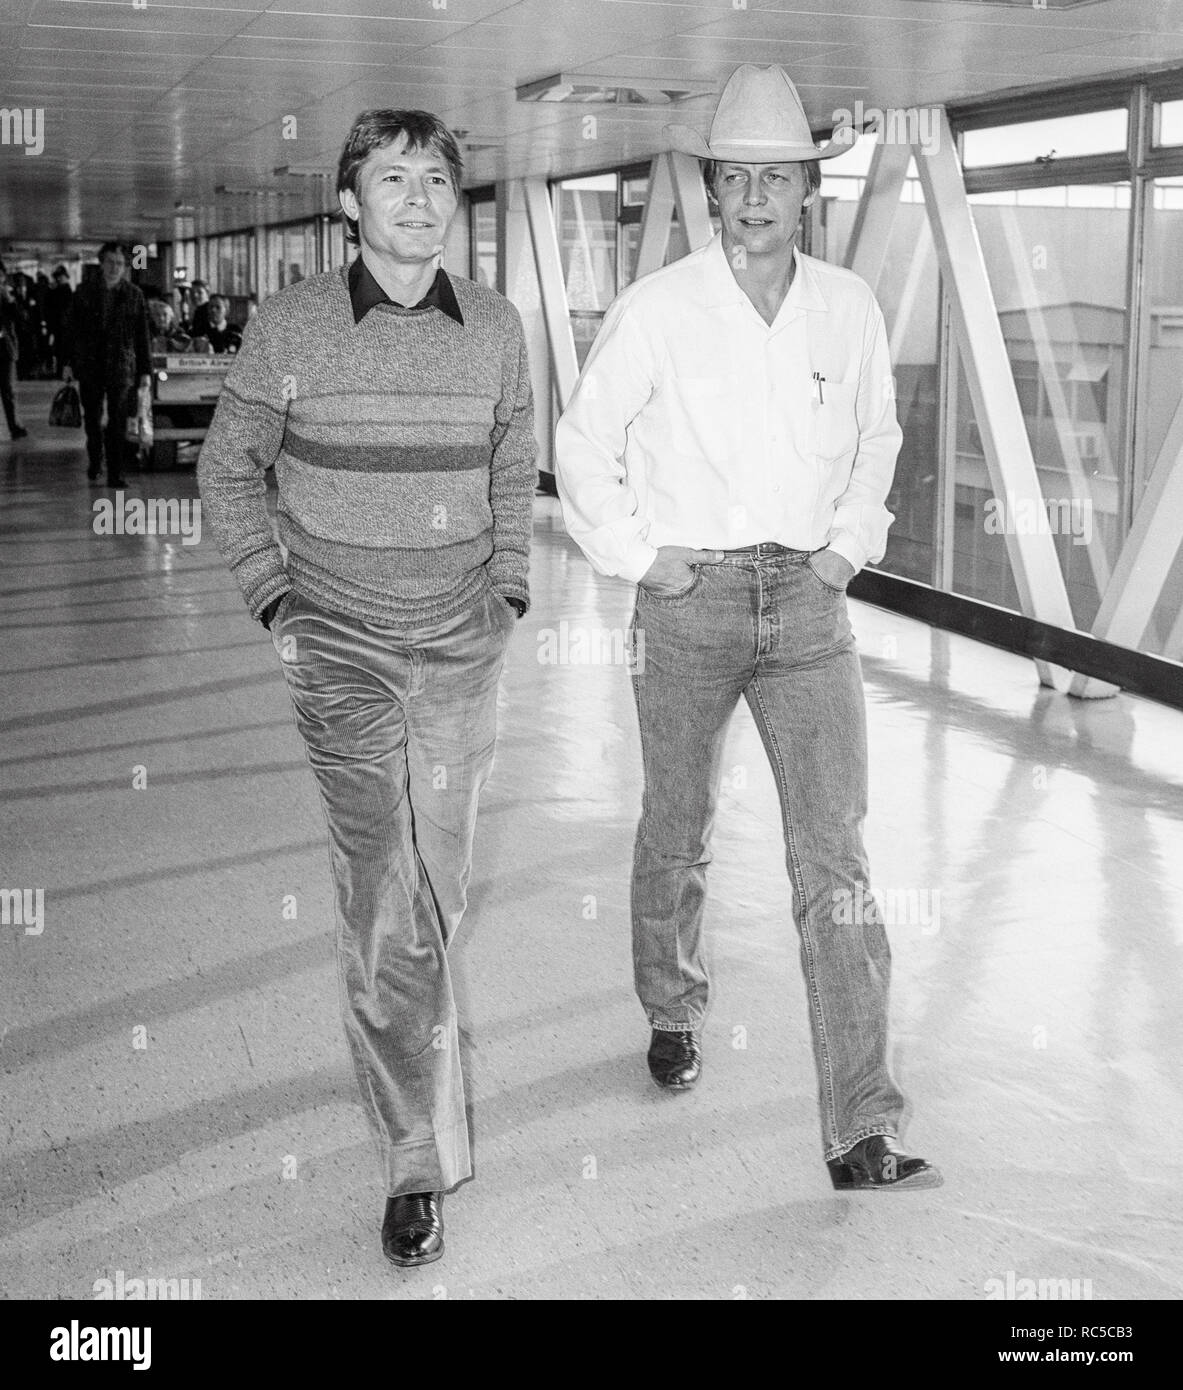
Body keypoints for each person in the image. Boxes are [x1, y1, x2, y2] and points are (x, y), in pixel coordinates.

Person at [556, 64, 941, 1193]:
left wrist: (845, 548)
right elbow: (584, 442)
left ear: (805, 191)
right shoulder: (661, 308)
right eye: (738, 178)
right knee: (675, 827)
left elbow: (878, 435)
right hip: (690, 602)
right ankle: (672, 1011)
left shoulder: (847, 308)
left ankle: (860, 1124)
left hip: (810, 606)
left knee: (836, 859)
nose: (758, 196)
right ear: (714, 190)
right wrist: (636, 554)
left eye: (778, 177)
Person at [197, 107, 536, 1267]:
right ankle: (410, 1156)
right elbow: (228, 467)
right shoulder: (290, 324)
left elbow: (511, 459)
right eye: (391, 178)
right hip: (337, 647)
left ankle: (413, 1096)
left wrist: (511, 591)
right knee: (386, 895)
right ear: (348, 202)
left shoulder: (494, 326)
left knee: (435, 889)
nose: (418, 196)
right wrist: (276, 603)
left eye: (436, 177)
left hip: (457, 647)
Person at [63, 241, 152, 488]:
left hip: (120, 366)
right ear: (101, 264)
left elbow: (142, 335)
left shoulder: (134, 295)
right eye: (111, 262)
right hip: (90, 364)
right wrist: (68, 363)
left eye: (121, 263)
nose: (116, 268)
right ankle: (95, 460)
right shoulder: (83, 292)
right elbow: (71, 331)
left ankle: (116, 472)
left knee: (118, 420)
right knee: (92, 418)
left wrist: (146, 370)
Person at [0, 266, 28, 440]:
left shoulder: (8, 296)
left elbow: (22, 318)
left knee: (8, 390)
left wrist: (10, 300)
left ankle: (14, 427)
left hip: (5, 348)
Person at [46, 266, 74, 378]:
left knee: (61, 350)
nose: (59, 279)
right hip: (60, 326)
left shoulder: (64, 291)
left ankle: (61, 372)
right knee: (60, 350)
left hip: (62, 326)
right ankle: (60, 372)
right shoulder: (61, 290)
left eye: (60, 277)